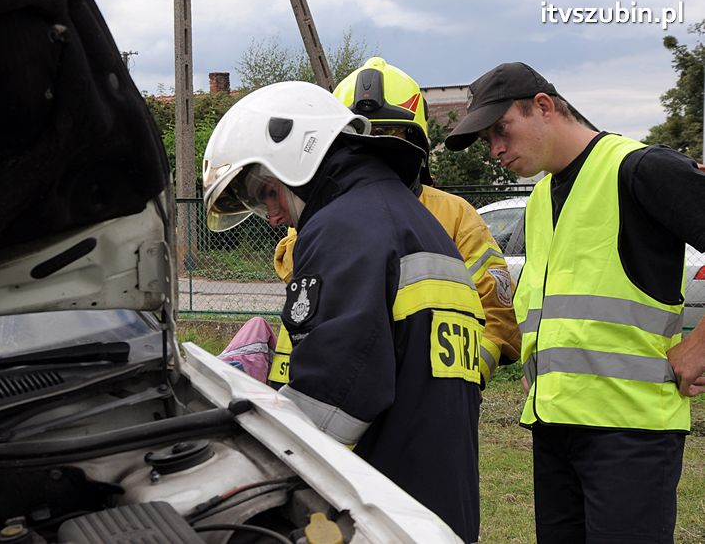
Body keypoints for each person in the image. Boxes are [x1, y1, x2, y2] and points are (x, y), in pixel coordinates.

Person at [203, 81, 485, 542]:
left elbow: (336, 394)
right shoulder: (408, 216)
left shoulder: (344, 227)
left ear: (300, 159)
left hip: (384, 504)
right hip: (437, 499)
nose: (271, 215)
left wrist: (254, 476)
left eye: (268, 193)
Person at [444, 61, 705, 543]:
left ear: (543, 106)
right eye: (487, 140)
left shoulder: (638, 168)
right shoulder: (541, 196)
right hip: (554, 428)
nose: (496, 149)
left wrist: (700, 345)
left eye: (502, 129)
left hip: (630, 431)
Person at [270, 57, 521, 391]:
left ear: (416, 142)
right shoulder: (313, 221)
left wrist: (456, 383)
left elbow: (498, 320)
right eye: (359, 136)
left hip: (425, 415)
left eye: (389, 134)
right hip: (325, 400)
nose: (374, 148)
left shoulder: (456, 216)